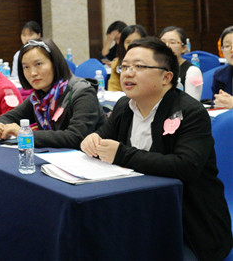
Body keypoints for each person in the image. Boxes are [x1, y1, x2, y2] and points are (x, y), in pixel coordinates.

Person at [81, 38, 232, 261]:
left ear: (166, 77)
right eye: (125, 66)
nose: (128, 73)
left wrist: (121, 154)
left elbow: (184, 166)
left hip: (188, 222)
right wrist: (92, 140)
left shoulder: (190, 112)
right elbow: (103, 136)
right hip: (138, 211)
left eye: (139, 67)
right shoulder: (124, 106)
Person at [0, 38, 105, 148]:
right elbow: (7, 118)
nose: (32, 73)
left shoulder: (83, 92)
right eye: (26, 67)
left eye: (38, 64)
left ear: (55, 63)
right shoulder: (38, 97)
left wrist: (25, 134)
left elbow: (76, 137)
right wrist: (0, 128)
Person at [160, 26, 203, 101]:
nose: (167, 46)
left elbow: (192, 104)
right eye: (163, 42)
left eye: (172, 42)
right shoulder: (154, 68)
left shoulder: (192, 71)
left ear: (184, 48)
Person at [107, 24, 147, 92]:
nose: (132, 45)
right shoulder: (117, 64)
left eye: (137, 41)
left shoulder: (152, 63)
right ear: (123, 44)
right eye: (128, 42)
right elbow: (113, 90)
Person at [213, 25, 233, 108]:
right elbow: (214, 102)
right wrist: (220, 102)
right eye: (227, 46)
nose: (232, 50)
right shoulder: (220, 75)